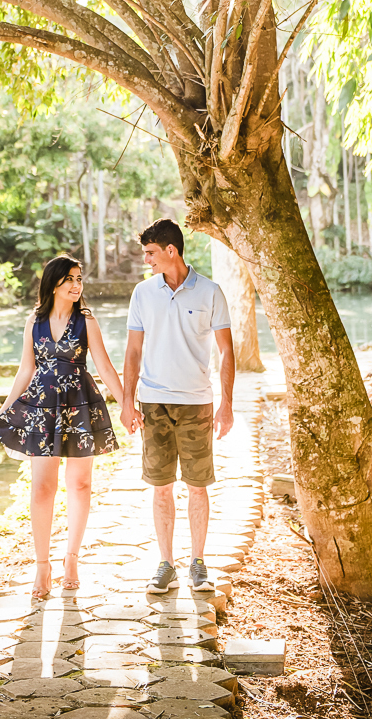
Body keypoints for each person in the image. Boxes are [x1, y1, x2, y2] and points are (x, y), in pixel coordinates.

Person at [0, 255, 127, 599]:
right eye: (70, 278)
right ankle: (42, 567)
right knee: (42, 489)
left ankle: (71, 559)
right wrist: (5, 408)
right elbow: (26, 369)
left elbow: (107, 369)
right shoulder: (34, 322)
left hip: (80, 406)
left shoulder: (86, 321)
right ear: (53, 283)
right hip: (42, 410)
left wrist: (127, 404)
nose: (77, 285)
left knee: (80, 484)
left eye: (80, 279)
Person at [121, 218, 235, 593]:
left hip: (196, 403)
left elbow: (226, 351)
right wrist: (126, 400)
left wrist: (226, 404)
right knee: (161, 486)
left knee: (198, 486)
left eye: (151, 253)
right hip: (153, 403)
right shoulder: (143, 293)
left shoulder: (211, 292)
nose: (147, 261)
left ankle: (198, 563)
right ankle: (166, 564)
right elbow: (133, 351)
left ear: (171, 251)